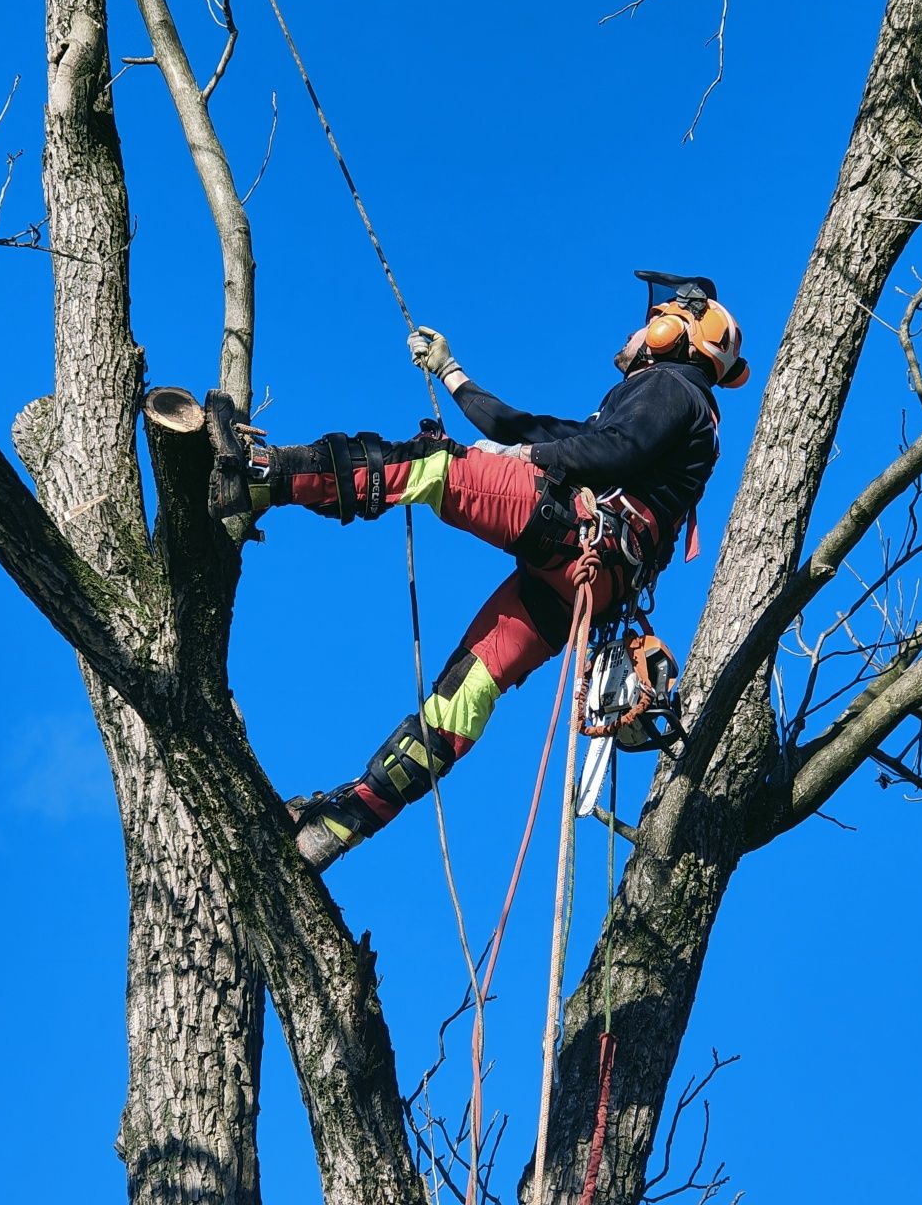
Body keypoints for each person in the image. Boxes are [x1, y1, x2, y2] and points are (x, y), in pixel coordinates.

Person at [205, 272, 748, 873]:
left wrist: (527, 459)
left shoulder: (671, 386)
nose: (636, 331)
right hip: (584, 585)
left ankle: (258, 476)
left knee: (430, 465)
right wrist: (452, 372)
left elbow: (604, 451)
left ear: (674, 332)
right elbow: (538, 430)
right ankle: (334, 831)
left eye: (652, 319)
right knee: (462, 697)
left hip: (574, 531)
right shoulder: (674, 405)